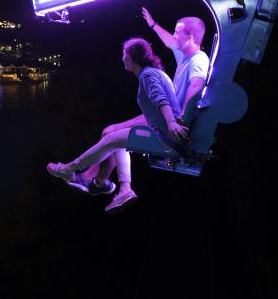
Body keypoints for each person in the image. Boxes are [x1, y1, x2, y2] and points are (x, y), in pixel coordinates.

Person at [71, 8, 210, 197]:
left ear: (190, 37)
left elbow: (196, 86)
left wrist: (181, 122)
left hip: (168, 123)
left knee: (111, 135)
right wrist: (153, 25)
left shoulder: (199, 60)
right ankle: (98, 182)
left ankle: (89, 179)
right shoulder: (185, 56)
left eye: (178, 32)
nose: (175, 36)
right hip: (162, 115)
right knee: (109, 132)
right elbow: (170, 42)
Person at [47, 37, 188, 214]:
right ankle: (124, 190)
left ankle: (69, 169)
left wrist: (171, 123)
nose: (122, 58)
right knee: (119, 138)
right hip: (162, 134)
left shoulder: (147, 75)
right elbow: (153, 110)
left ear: (129, 58)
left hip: (167, 139)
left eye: (124, 54)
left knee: (112, 140)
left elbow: (161, 100)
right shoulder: (154, 73)